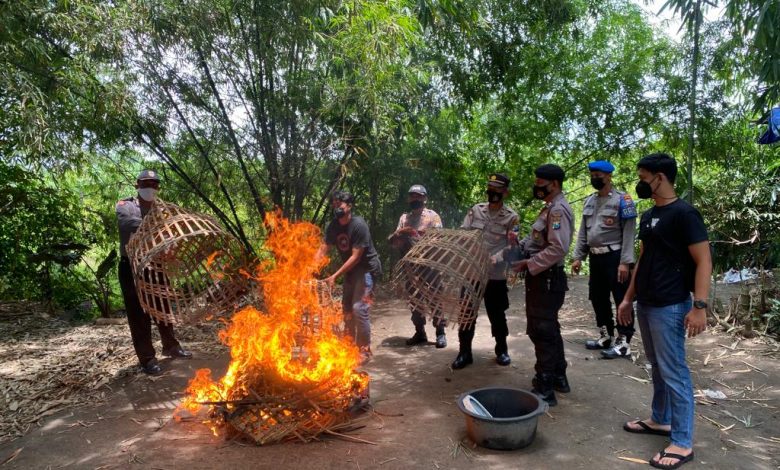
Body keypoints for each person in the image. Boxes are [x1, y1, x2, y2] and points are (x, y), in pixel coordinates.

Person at [617, 153, 711, 470]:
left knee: (674, 372)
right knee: (657, 365)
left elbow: (704, 261)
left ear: (661, 177)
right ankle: (660, 420)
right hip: (647, 302)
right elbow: (644, 259)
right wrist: (629, 298)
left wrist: (699, 306)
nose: (640, 183)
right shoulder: (648, 216)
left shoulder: (685, 214)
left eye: (644, 177)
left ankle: (682, 442)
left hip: (671, 305)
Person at [116, 170, 192, 376]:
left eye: (154, 184)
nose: (150, 187)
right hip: (132, 266)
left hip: (156, 265)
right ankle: (147, 358)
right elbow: (126, 224)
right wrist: (158, 229)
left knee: (163, 306)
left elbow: (174, 234)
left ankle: (171, 346)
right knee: (138, 314)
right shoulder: (126, 205)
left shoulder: (162, 210)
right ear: (137, 185)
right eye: (146, 183)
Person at [511, 164, 573, 407]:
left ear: (554, 184)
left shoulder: (558, 210)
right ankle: (559, 376)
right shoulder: (549, 209)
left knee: (542, 330)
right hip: (543, 278)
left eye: (540, 183)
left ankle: (545, 386)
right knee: (549, 328)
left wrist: (529, 263)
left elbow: (558, 248)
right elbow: (536, 240)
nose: (536, 187)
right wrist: (519, 246)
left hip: (546, 279)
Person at [451, 173, 519, 370]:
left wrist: (495, 258)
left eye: (497, 189)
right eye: (490, 187)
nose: (492, 192)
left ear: (505, 192)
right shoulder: (476, 210)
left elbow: (511, 245)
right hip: (471, 272)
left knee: (497, 313)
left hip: (494, 275)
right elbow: (464, 234)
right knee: (466, 312)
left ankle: (502, 350)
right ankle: (465, 352)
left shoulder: (511, 217)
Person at [571, 160, 638, 359]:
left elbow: (629, 233)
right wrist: (578, 257)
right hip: (595, 258)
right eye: (592, 175)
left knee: (620, 299)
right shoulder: (589, 201)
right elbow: (584, 231)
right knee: (597, 297)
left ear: (609, 176)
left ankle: (624, 342)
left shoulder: (623, 200)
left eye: (598, 175)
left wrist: (625, 262)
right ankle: (606, 335)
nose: (595, 178)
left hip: (615, 257)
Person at [317, 190, 382, 363]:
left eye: (340, 204)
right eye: (334, 204)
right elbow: (324, 248)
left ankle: (364, 349)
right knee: (346, 310)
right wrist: (309, 268)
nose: (337, 206)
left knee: (359, 308)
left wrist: (334, 276)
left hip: (367, 269)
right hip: (352, 272)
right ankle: (349, 346)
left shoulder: (358, 225)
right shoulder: (333, 226)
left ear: (349, 206)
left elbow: (356, 257)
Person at [389, 184, 447, 348]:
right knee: (414, 300)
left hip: (430, 266)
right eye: (413, 196)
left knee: (435, 298)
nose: (415, 199)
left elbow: (438, 239)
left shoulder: (432, 216)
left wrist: (417, 238)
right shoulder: (404, 218)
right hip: (410, 268)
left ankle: (440, 332)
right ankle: (420, 332)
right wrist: (397, 238)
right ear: (409, 199)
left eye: (419, 196)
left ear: (425, 198)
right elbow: (396, 240)